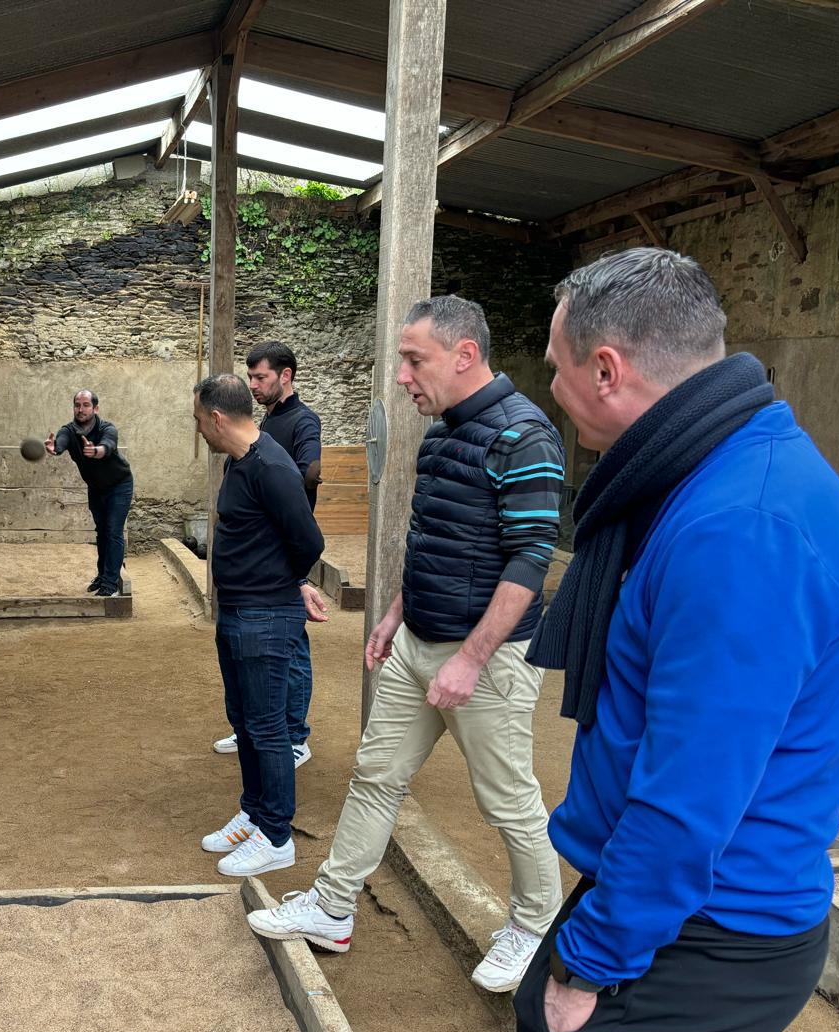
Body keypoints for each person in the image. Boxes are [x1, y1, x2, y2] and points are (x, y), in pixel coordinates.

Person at [482, 247, 839, 1032]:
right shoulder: (737, 470)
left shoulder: (737, 526)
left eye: (556, 364)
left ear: (609, 369)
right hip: (733, 925)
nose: (553, 386)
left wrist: (587, 964)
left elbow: (688, 797)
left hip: (694, 934)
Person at [248, 295, 565, 993]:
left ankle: (536, 925)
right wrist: (396, 613)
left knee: (508, 800)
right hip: (420, 638)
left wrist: (471, 659)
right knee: (375, 775)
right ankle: (333, 907)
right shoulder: (445, 432)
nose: (401, 376)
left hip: (488, 657)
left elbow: (529, 561)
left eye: (413, 359)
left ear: (464, 355)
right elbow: (435, 541)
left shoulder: (525, 435)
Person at [193, 373, 328, 877]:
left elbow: (308, 542)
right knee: (245, 719)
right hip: (239, 611)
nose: (199, 430)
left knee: (270, 726)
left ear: (218, 418)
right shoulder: (240, 461)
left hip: (265, 616)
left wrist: (285, 584)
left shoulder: (272, 467)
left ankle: (276, 835)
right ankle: (253, 812)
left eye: (199, 421)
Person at [212, 341, 321, 768]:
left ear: (286, 376)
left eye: (261, 377)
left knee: (292, 648)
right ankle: (251, 729)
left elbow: (310, 470)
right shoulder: (266, 421)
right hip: (258, 555)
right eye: (251, 377)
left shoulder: (303, 420)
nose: (254, 385)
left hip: (284, 550)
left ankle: (296, 736)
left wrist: (274, 487)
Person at [44, 389, 133, 597]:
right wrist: (54, 448)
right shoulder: (68, 430)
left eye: (85, 405)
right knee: (102, 532)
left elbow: (108, 445)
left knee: (113, 531)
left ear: (95, 408)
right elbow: (61, 443)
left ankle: (110, 584)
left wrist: (96, 451)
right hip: (96, 488)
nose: (81, 409)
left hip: (120, 485)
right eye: (77, 405)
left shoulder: (107, 428)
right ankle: (103, 575)